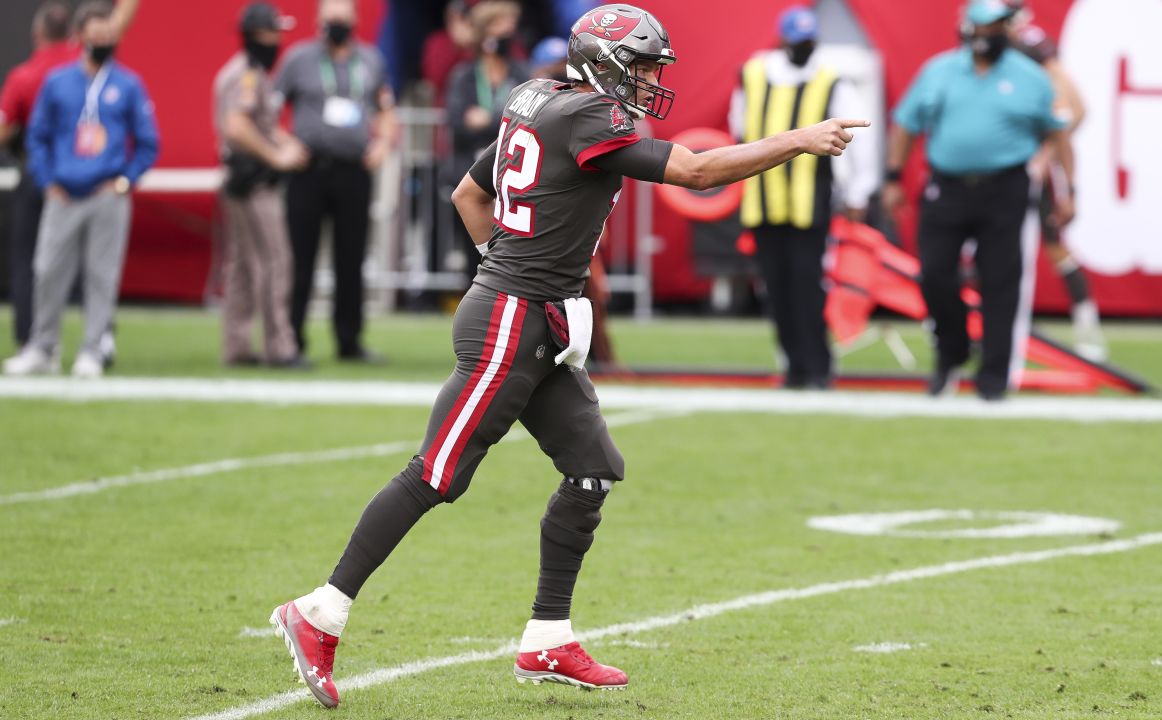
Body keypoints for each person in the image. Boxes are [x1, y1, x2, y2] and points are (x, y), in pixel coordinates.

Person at [268, 3, 867, 709]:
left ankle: (548, 634)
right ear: (605, 63)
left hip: (537, 316)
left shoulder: (542, 99)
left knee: (592, 470)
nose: (650, 81)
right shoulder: (587, 116)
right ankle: (319, 612)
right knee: (437, 472)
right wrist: (797, 139)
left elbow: (469, 193)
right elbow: (699, 172)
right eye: (642, 66)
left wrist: (513, 265)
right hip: (511, 319)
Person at [882, 0, 1073, 401]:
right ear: (968, 29)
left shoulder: (1031, 78)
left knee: (1002, 282)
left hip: (1004, 188)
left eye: (998, 28)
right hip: (947, 186)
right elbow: (905, 124)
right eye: (985, 28)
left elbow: (1059, 132)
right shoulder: (939, 71)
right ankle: (952, 349)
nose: (990, 36)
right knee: (934, 274)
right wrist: (893, 176)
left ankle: (993, 379)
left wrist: (1069, 189)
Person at [3, 0, 158, 379]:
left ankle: (93, 347)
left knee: (101, 275)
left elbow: (149, 141)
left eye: (108, 36)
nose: (103, 42)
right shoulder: (58, 82)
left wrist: (125, 180)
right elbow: (36, 136)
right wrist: (47, 180)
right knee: (47, 270)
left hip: (107, 192)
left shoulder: (127, 83)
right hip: (64, 192)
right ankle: (43, 346)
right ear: (79, 38)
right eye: (95, 36)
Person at [728, 5, 879, 389]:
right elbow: (740, 128)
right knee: (775, 288)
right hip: (762, 199)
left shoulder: (831, 81)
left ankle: (818, 366)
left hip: (809, 201)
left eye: (809, 41)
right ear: (783, 40)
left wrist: (857, 189)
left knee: (808, 285)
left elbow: (856, 140)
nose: (803, 48)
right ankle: (793, 365)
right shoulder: (754, 73)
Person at [275, 0, 398, 363]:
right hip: (308, 169)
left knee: (351, 256)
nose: (337, 25)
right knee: (300, 257)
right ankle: (291, 338)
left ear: (355, 21)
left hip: (353, 170)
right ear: (318, 22)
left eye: (343, 19)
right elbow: (270, 108)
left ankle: (349, 340)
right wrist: (285, 143)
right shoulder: (299, 59)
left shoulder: (371, 60)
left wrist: (383, 144)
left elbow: (386, 110)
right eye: (331, 20)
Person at [1006, 0, 1106, 361]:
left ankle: (1087, 327)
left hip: (1022, 167)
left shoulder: (1030, 46)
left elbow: (1073, 108)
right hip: (992, 166)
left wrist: (1044, 152)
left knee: (1051, 244)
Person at [213, 2, 311, 369]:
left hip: (241, 178)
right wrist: (276, 156)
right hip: (252, 180)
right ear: (256, 35)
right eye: (272, 32)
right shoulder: (246, 76)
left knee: (241, 264)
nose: (277, 40)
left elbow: (259, 123)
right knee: (275, 259)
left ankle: (237, 346)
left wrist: (284, 140)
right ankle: (279, 346)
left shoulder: (250, 72)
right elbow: (237, 125)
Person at [446, 0, 529, 283]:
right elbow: (457, 123)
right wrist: (501, 118)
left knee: (510, 252)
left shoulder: (521, 73)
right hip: (471, 174)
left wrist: (488, 118)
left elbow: (526, 119)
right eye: (500, 26)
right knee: (474, 254)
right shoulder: (464, 75)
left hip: (512, 177)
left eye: (511, 27)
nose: (508, 33)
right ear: (484, 33)